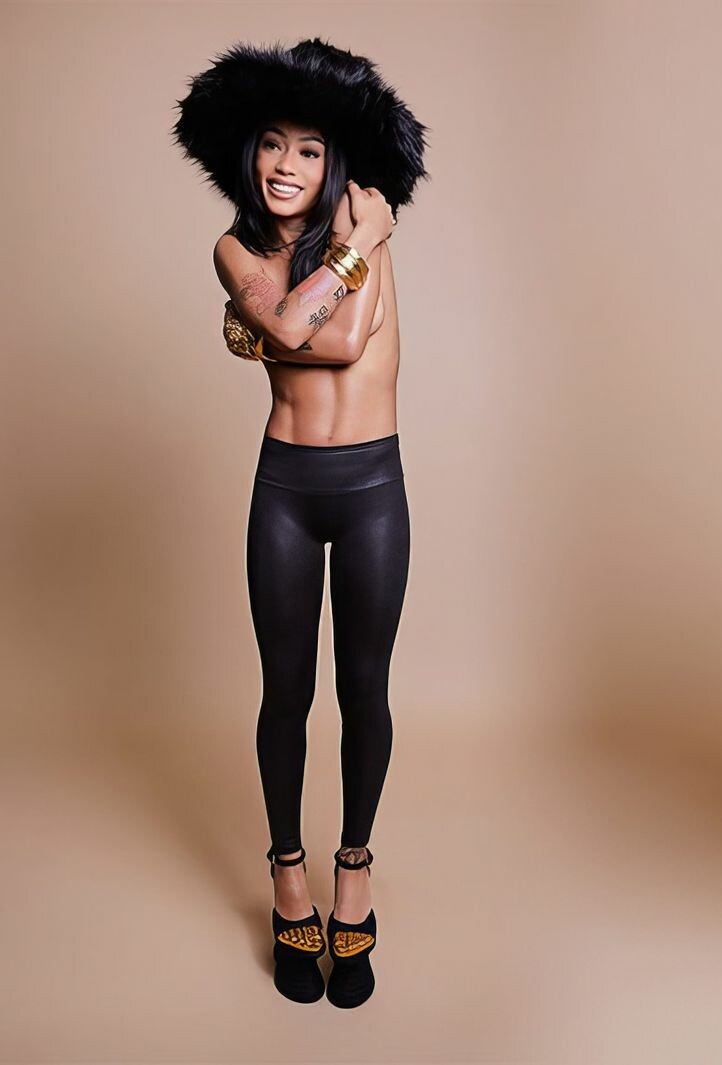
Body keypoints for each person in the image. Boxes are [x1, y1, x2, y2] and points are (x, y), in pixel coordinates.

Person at [175, 37, 427, 1008]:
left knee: (365, 692)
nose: (286, 164)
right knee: (285, 693)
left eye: (310, 149)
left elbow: (344, 337)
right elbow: (291, 331)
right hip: (283, 487)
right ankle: (288, 874)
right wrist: (352, 257)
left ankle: (352, 869)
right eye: (274, 144)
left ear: (339, 163)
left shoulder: (363, 236)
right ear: (249, 153)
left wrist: (308, 296)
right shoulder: (237, 248)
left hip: (371, 489)